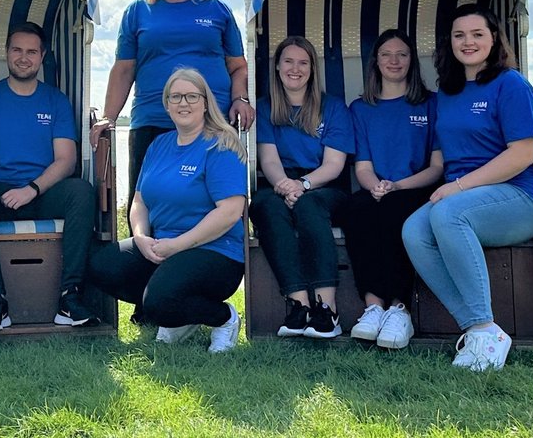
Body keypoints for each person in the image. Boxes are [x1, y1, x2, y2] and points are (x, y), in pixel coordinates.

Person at [402, 4, 533, 372]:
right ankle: (479, 329)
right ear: (449, 43)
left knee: (448, 214)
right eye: (459, 35)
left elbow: (522, 155)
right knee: (414, 231)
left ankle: (483, 327)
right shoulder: (447, 93)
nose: (468, 42)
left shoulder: (512, 85)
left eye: (478, 34)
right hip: (465, 198)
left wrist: (459, 187)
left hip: (517, 198)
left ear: (494, 38)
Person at [90, 0, 255, 212]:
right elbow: (124, 69)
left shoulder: (218, 10)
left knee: (212, 199)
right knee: (145, 201)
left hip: (212, 121)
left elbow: (238, 66)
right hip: (153, 120)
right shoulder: (138, 12)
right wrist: (109, 117)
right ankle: (146, 251)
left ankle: (209, 253)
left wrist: (241, 99)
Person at [86, 68, 247, 353]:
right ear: (167, 104)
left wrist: (178, 245)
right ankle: (180, 312)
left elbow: (230, 212)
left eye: (191, 96)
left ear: (206, 102)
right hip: (163, 246)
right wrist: (140, 237)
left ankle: (223, 318)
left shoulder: (221, 144)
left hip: (216, 252)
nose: (183, 103)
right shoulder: (159, 145)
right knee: (102, 266)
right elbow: (139, 201)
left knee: (158, 303)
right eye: (175, 97)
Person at [0, 22, 100, 332]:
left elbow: (66, 160)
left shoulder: (55, 100)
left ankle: (70, 296)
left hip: (42, 191)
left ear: (42, 56)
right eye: (17, 50)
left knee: (82, 191)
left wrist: (32, 189)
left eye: (31, 51)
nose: (24, 57)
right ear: (7, 53)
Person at [338, 29, 444, 349]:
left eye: (402, 54)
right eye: (386, 54)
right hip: (379, 188)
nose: (394, 61)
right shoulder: (360, 108)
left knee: (396, 211)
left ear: (412, 61)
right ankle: (373, 306)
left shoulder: (430, 104)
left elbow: (437, 168)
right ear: (376, 61)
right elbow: (363, 168)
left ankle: (399, 310)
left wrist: (397, 186)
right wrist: (377, 188)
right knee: (356, 209)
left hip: (417, 188)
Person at [249, 36, 355, 339]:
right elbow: (268, 159)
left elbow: (334, 165)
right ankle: (299, 306)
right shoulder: (265, 108)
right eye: (289, 61)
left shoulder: (332, 107)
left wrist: (303, 185)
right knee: (264, 205)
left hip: (325, 183)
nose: (295, 69)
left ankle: (327, 310)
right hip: (281, 179)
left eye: (303, 62)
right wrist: (284, 185)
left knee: (309, 205)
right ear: (278, 67)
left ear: (312, 69)